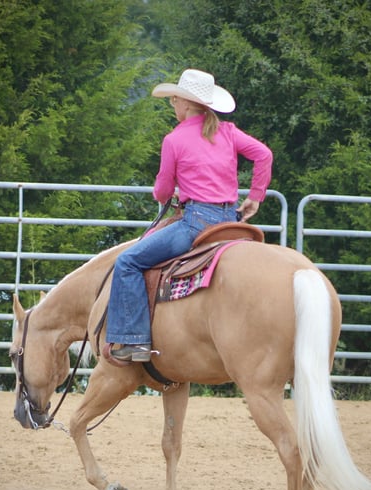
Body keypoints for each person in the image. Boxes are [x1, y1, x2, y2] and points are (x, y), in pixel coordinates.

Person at [103, 68, 273, 363]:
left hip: (196, 223)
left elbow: (163, 188)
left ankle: (135, 342)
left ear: (184, 103)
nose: (173, 105)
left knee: (128, 262)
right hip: (231, 222)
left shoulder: (174, 139)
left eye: (174, 100)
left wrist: (164, 196)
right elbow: (264, 155)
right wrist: (255, 196)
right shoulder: (228, 131)